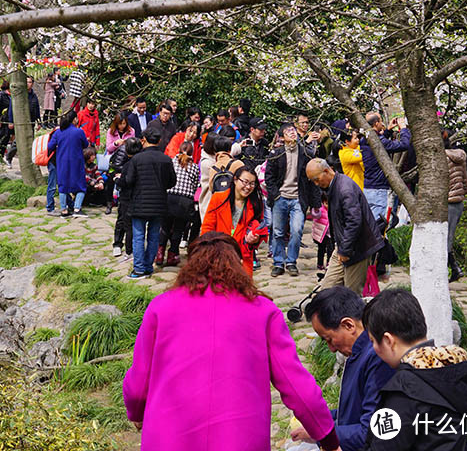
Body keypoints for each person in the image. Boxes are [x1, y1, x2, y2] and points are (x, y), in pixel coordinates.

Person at [123, 232, 341, 451]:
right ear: (237, 265)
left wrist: (136, 412)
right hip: (240, 439)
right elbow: (296, 385)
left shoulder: (161, 307)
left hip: (169, 438)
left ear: (190, 265)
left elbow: (138, 381)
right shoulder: (263, 312)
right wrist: (329, 438)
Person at [361, 289, 467, 450]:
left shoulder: (404, 391)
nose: (374, 348)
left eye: (373, 341)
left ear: (388, 340)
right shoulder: (456, 370)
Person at [293, 287, 395, 451]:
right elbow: (354, 410)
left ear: (348, 325)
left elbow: (370, 431)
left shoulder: (377, 358)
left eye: (329, 339)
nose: (331, 349)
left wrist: (322, 434)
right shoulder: (359, 352)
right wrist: (319, 420)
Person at [307, 158, 382, 292]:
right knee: (327, 290)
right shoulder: (334, 185)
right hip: (343, 245)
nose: (316, 184)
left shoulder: (344, 188)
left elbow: (354, 222)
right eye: (313, 181)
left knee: (351, 294)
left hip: (358, 248)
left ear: (326, 171)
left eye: (317, 179)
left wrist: (345, 250)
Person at [265, 123, 320, 277]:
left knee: (297, 231)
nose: (292, 134)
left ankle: (291, 261)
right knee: (278, 232)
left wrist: (315, 203)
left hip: (298, 198)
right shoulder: (276, 153)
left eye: (293, 131)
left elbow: (311, 178)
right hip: (280, 197)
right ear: (282, 137)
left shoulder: (305, 152)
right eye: (288, 132)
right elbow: (269, 177)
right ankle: (278, 262)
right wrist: (275, 195)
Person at [122, 129, 176, 279]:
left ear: (143, 139)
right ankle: (148, 267)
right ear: (159, 141)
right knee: (153, 236)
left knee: (138, 236)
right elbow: (172, 182)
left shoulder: (137, 159)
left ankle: (138, 269)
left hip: (139, 202)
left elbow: (129, 180)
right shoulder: (166, 159)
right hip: (159, 202)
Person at [200, 164, 267, 276]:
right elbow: (207, 227)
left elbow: (260, 228)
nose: (248, 187)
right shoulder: (218, 198)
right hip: (218, 255)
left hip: (242, 258)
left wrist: (255, 239)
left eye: (252, 184)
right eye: (245, 182)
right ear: (235, 180)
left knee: (240, 290)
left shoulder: (255, 204)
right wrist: (208, 251)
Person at [361, 113, 412, 221]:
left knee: (369, 222)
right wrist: (403, 129)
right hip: (378, 189)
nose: (382, 123)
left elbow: (379, 142)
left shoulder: (365, 139)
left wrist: (388, 130)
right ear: (376, 123)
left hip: (368, 187)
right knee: (378, 225)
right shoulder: (378, 141)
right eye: (381, 121)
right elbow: (404, 144)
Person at [158, 142, 200, 267]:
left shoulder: (171, 162)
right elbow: (193, 186)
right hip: (185, 201)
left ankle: (159, 253)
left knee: (165, 227)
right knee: (178, 228)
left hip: (169, 197)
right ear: (192, 152)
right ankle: (173, 254)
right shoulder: (194, 167)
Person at [47, 110, 90, 217]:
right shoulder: (79, 132)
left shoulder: (58, 132)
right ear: (75, 119)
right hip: (77, 162)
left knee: (63, 186)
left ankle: (64, 210)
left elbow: (50, 146)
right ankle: (77, 209)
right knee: (81, 186)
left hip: (61, 162)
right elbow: (85, 144)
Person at [111, 138, 142, 258]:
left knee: (129, 224)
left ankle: (130, 250)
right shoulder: (129, 162)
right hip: (131, 197)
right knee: (124, 221)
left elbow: (125, 181)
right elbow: (115, 166)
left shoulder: (133, 164)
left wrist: (118, 179)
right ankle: (118, 244)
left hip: (129, 196)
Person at [444, 131, 467, 282]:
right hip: (458, 201)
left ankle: (454, 269)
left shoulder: (442, 157)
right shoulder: (460, 156)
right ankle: (454, 269)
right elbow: (466, 179)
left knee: (445, 240)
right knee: (448, 237)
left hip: (447, 201)